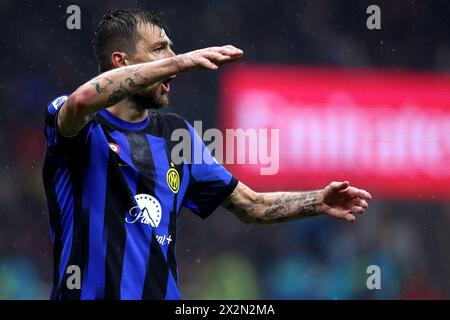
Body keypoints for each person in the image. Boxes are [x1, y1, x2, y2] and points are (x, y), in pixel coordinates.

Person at [43, 8, 372, 300]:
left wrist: (318, 202)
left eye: (172, 48)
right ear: (121, 62)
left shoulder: (176, 134)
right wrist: (180, 62)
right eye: (159, 49)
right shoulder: (79, 124)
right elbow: (82, 101)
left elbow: (250, 206)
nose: (173, 56)